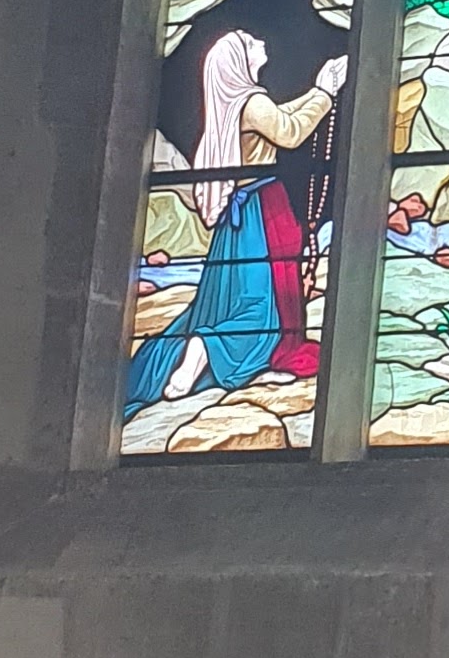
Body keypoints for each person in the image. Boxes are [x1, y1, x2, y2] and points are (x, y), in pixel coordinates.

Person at [126, 24, 344, 413]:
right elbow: (290, 132)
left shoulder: (235, 103)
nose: (260, 42)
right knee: (260, 308)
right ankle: (205, 347)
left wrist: (318, 90)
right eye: (249, 42)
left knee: (238, 301)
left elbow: (281, 117)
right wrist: (325, 93)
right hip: (261, 213)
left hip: (239, 220)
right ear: (238, 61)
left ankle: (196, 351)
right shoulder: (252, 101)